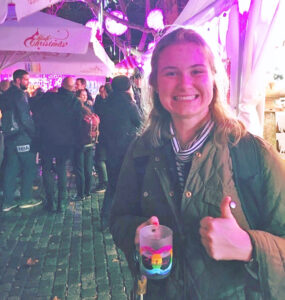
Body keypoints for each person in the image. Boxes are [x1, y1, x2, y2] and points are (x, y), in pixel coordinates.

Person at [110, 28, 285, 299]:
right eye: (171, 73)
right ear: (155, 83)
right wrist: (135, 232)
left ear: (214, 79)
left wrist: (248, 246)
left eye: (196, 71)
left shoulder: (253, 154)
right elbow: (118, 218)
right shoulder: (141, 151)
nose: (184, 84)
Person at [102, 75, 142, 230]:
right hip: (127, 150)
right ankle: (126, 217)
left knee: (112, 185)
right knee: (129, 184)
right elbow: (140, 121)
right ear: (128, 87)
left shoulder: (107, 102)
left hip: (110, 150)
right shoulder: (129, 104)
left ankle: (105, 218)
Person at [38, 76, 82, 212]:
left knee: (46, 169)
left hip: (47, 139)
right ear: (73, 87)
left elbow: (37, 110)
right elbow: (78, 124)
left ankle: (50, 201)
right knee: (62, 169)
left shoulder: (50, 97)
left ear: (61, 85)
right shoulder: (75, 101)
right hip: (65, 141)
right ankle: (61, 202)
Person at [0, 70, 40, 212]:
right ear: (18, 80)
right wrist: (34, 134)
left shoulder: (5, 94)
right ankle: (26, 198)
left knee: (11, 169)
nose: (28, 82)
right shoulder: (19, 95)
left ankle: (8, 201)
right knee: (29, 168)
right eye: (26, 79)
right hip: (22, 137)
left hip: (9, 137)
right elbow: (24, 118)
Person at [73, 89, 100, 201]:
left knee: (80, 169)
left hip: (79, 144)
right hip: (90, 143)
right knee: (88, 168)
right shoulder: (88, 111)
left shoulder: (75, 113)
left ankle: (81, 194)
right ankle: (88, 191)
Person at [92, 83, 111, 193]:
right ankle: (104, 181)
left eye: (102, 92)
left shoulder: (107, 104)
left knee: (100, 159)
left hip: (105, 135)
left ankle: (104, 182)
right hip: (102, 135)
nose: (100, 94)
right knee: (101, 159)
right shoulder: (101, 101)